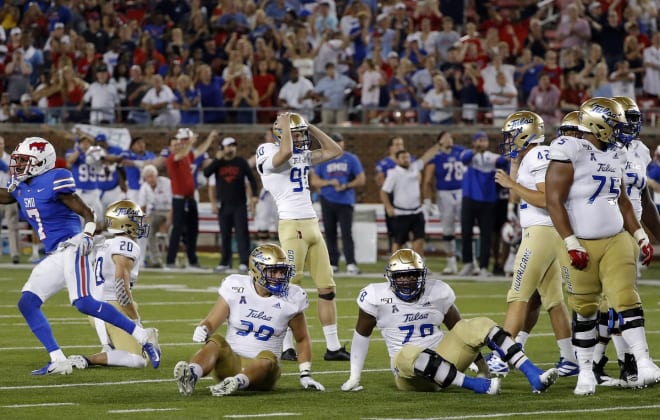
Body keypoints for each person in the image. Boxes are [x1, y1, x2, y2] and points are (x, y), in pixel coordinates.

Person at [0, 137, 159, 375]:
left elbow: (88, 212)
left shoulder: (55, 179)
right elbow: (5, 196)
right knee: (28, 303)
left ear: (41, 162)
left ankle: (142, 336)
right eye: (18, 160)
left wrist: (87, 234)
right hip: (55, 253)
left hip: (73, 245)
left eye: (24, 161)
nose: (18, 165)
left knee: (83, 302)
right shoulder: (20, 185)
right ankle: (58, 359)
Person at [545, 97, 660, 395]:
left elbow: (623, 200)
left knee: (626, 298)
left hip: (616, 239)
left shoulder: (614, 153)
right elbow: (553, 200)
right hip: (580, 242)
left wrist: (641, 236)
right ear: (598, 123)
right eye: (615, 123)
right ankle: (586, 370)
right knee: (585, 311)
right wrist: (570, 242)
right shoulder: (568, 148)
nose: (620, 130)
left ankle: (642, 361)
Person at [340, 249, 558, 394]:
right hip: (409, 374)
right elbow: (361, 336)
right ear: (390, 277)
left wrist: (482, 366)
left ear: (422, 275)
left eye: (413, 275)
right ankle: (476, 386)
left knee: (480, 323)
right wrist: (354, 376)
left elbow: (463, 332)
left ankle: (533, 374)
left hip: (447, 359)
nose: (406, 280)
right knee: (409, 354)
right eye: (400, 276)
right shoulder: (375, 296)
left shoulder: (437, 291)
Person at [488, 110, 577, 378]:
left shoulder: (538, 155)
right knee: (553, 300)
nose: (508, 140)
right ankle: (570, 358)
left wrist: (510, 181)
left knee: (518, 294)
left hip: (541, 231)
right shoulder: (529, 156)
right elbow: (517, 199)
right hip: (544, 232)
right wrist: (514, 170)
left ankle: (500, 356)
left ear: (525, 134)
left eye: (512, 135)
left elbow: (547, 200)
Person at [256, 112, 349, 362]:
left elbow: (335, 150)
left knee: (327, 288)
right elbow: (284, 154)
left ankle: (333, 346)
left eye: (301, 135)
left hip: (311, 225)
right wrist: (288, 127)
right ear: (280, 133)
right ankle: (286, 346)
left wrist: (311, 127)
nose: (300, 139)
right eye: (296, 135)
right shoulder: (266, 151)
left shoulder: (300, 152)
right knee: (287, 288)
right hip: (291, 225)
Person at [173, 244, 325, 396]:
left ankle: (237, 382)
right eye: (273, 271)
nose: (280, 276)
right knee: (216, 341)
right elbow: (212, 322)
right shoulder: (236, 287)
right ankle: (191, 374)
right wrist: (204, 328)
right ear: (257, 271)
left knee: (268, 356)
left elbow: (302, 338)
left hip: (265, 372)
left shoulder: (293, 297)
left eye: (282, 271)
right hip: (230, 364)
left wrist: (305, 375)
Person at [592, 96, 660, 387]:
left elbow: (644, 196)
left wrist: (654, 233)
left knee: (615, 301)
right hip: (608, 229)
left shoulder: (641, 150)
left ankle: (599, 363)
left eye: (634, 118)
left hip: (633, 231)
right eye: (626, 118)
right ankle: (623, 363)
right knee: (618, 299)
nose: (632, 124)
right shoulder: (601, 148)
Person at [67, 200, 160, 369]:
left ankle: (110, 346)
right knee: (138, 360)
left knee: (116, 349)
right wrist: (136, 321)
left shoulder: (105, 243)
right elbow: (121, 288)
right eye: (136, 219)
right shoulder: (126, 245)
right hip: (112, 306)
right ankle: (86, 359)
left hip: (96, 308)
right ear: (125, 222)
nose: (140, 223)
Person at [310, 132, 365, 275]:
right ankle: (333, 263)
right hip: (327, 200)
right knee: (330, 233)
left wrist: (346, 185)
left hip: (346, 200)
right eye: (335, 142)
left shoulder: (351, 159)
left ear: (343, 143)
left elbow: (361, 179)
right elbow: (314, 180)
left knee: (347, 233)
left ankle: (351, 263)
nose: (338, 144)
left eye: (340, 141)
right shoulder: (323, 160)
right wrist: (329, 182)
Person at [203, 136, 258, 273]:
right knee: (225, 234)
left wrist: (254, 196)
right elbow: (206, 173)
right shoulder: (218, 164)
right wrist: (217, 159)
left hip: (239, 204)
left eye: (233, 145)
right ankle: (225, 262)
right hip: (224, 204)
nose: (231, 148)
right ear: (222, 148)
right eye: (228, 145)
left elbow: (252, 179)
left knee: (242, 234)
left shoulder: (241, 162)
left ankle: (244, 262)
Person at [164, 128, 217, 269]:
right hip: (179, 199)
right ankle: (170, 260)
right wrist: (190, 142)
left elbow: (198, 151)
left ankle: (192, 261)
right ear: (170, 148)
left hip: (190, 198)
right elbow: (181, 154)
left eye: (178, 144)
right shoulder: (171, 159)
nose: (177, 147)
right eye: (174, 145)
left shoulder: (186, 156)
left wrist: (210, 138)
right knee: (177, 229)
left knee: (193, 230)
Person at [459, 131, 508, 277]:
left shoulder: (491, 157)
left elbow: (502, 162)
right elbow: (464, 159)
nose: (482, 143)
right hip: (469, 198)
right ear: (473, 142)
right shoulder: (467, 155)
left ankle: (483, 266)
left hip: (488, 200)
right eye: (479, 140)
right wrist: (475, 150)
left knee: (486, 234)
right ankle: (468, 263)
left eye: (484, 140)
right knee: (466, 232)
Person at [380, 142, 441, 255]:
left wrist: (438, 145)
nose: (406, 160)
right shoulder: (393, 173)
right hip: (401, 213)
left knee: (419, 239)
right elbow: (384, 191)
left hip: (416, 211)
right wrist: (388, 207)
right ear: (397, 160)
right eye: (403, 158)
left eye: (407, 157)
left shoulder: (414, 168)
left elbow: (426, 157)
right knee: (399, 241)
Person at [423, 131, 464, 274]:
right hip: (444, 194)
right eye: (445, 137)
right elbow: (427, 180)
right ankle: (451, 263)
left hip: (461, 191)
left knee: (467, 227)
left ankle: (471, 262)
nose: (449, 139)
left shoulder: (461, 151)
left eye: (451, 136)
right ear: (439, 141)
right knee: (448, 230)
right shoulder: (436, 156)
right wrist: (428, 199)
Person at [137, 164, 172, 269]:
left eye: (152, 176)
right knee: (148, 229)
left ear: (156, 176)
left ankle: (172, 258)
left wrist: (168, 222)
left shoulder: (166, 183)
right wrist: (143, 219)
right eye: (148, 177)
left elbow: (173, 204)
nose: (150, 179)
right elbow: (142, 207)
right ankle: (156, 260)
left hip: (169, 210)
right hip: (154, 212)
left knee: (172, 230)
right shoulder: (144, 188)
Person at [0, 135, 20, 264]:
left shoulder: (10, 159)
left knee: (13, 226)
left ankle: (15, 255)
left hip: (8, 195)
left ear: (3, 144)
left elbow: (14, 174)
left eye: (0, 143)